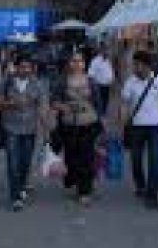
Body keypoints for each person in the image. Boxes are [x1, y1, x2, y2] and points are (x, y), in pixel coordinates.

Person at [0, 55, 50, 212]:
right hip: (11, 127)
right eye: (22, 67)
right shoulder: (6, 82)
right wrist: (10, 103)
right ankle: (15, 196)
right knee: (13, 162)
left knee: (25, 162)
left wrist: (46, 130)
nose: (25, 70)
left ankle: (22, 184)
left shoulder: (38, 84)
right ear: (16, 67)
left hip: (30, 129)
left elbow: (42, 107)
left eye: (28, 67)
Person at [119, 51, 158, 210]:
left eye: (137, 64)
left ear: (147, 65)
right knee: (136, 160)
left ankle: (152, 194)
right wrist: (122, 123)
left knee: (154, 160)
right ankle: (140, 185)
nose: (134, 67)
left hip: (156, 127)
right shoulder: (130, 82)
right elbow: (125, 104)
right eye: (134, 64)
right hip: (136, 127)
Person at [52, 53, 103, 206]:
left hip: (89, 124)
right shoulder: (62, 82)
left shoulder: (91, 82)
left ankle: (84, 191)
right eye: (74, 61)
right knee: (71, 157)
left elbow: (98, 104)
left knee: (86, 157)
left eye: (80, 61)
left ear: (84, 64)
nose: (77, 63)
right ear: (69, 64)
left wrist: (100, 122)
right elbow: (53, 101)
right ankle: (75, 181)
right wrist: (64, 107)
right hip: (69, 125)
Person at [87, 47, 115, 116]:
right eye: (106, 50)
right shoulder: (95, 61)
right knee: (99, 102)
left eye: (108, 50)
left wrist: (112, 79)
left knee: (105, 101)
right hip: (98, 86)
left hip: (107, 85)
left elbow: (109, 71)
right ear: (101, 51)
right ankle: (98, 116)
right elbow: (90, 75)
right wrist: (93, 87)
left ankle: (102, 114)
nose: (108, 52)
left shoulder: (108, 60)